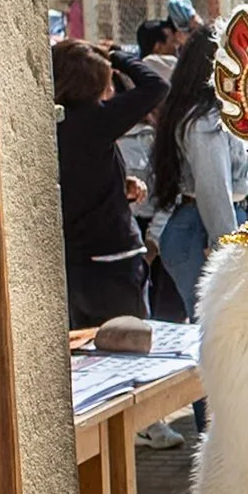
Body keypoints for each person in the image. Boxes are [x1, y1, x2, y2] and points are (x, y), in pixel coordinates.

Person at [54, 38, 168, 326]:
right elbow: (156, 86)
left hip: (73, 264)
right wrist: (116, 55)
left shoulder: (55, 124)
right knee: (128, 353)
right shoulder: (96, 120)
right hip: (114, 261)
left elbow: (79, 179)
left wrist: (119, 184)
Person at [145, 25, 248, 322]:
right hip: (205, 232)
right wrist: (225, 249)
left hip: (204, 227)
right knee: (221, 327)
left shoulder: (206, 114)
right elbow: (212, 188)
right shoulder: (205, 121)